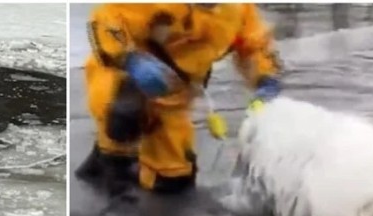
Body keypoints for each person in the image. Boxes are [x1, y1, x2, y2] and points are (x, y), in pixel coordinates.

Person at [75, 3, 283, 195]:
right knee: (121, 125)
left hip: (175, 91)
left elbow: (255, 46)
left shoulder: (238, 10)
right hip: (122, 74)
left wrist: (266, 79)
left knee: (173, 179)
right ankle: (109, 162)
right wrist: (131, 59)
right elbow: (106, 20)